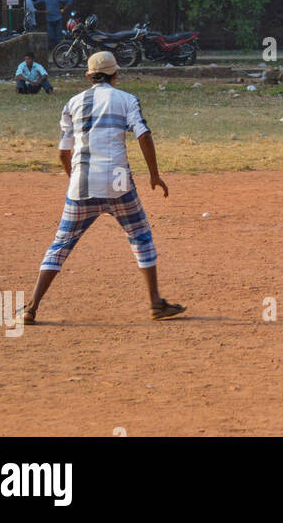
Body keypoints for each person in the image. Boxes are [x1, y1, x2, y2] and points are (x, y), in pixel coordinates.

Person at [16, 51, 185, 326]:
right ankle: (155, 303)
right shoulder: (127, 99)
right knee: (140, 237)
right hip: (119, 183)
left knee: (60, 245)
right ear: (116, 74)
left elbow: (63, 153)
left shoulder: (72, 103)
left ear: (88, 76)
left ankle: (31, 307)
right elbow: (143, 134)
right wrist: (154, 175)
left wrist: (75, 179)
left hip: (81, 184)